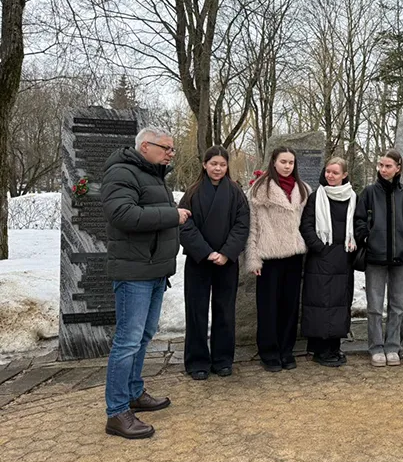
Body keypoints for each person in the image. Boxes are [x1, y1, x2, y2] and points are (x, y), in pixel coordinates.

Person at [101, 127, 190, 439]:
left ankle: (134, 393)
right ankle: (116, 411)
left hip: (153, 270)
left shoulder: (152, 175)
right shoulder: (122, 173)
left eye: (172, 149)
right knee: (127, 340)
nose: (170, 154)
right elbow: (122, 214)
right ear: (144, 146)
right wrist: (172, 215)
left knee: (143, 337)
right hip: (133, 272)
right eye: (165, 148)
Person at [178, 146, 250, 380]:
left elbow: (242, 225)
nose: (218, 168)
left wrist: (226, 253)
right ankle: (197, 360)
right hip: (199, 261)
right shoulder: (192, 192)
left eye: (222, 164)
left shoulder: (236, 193)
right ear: (204, 165)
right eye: (213, 164)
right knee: (196, 311)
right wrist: (207, 252)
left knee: (225, 311)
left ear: (227, 167)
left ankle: (222, 359)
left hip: (226, 262)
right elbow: (184, 224)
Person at [244, 147, 311, 372]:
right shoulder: (259, 190)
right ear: (274, 162)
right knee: (268, 307)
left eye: (291, 162)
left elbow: (306, 224)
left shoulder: (303, 190)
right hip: (269, 256)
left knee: (290, 306)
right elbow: (253, 226)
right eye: (283, 161)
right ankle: (269, 352)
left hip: (293, 255)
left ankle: (286, 350)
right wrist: (253, 258)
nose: (287, 166)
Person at [354, 149, 403, 367]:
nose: (383, 170)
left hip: (401, 257)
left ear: (398, 168)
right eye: (381, 165)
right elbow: (359, 219)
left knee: (397, 304)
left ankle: (393, 346)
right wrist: (366, 237)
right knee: (374, 306)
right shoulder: (369, 193)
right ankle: (375, 347)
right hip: (375, 257)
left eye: (388, 166)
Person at [300, 157, 357, 367]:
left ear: (344, 175)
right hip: (321, 259)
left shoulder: (352, 198)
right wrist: (320, 248)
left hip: (343, 259)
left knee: (340, 304)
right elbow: (306, 226)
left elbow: (357, 225)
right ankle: (320, 350)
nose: (330, 176)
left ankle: (334, 346)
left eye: (335, 172)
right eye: (327, 172)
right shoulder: (317, 197)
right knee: (321, 304)